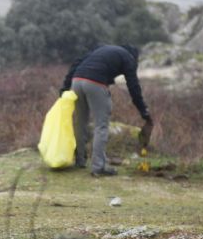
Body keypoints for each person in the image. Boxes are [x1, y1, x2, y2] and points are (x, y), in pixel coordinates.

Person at [60, 44, 152, 176]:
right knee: (101, 125)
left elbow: (77, 62)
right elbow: (133, 86)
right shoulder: (129, 58)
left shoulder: (104, 50)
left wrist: (64, 88)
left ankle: (80, 160)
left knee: (80, 123)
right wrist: (143, 110)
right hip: (95, 83)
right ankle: (98, 166)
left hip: (77, 80)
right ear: (135, 57)